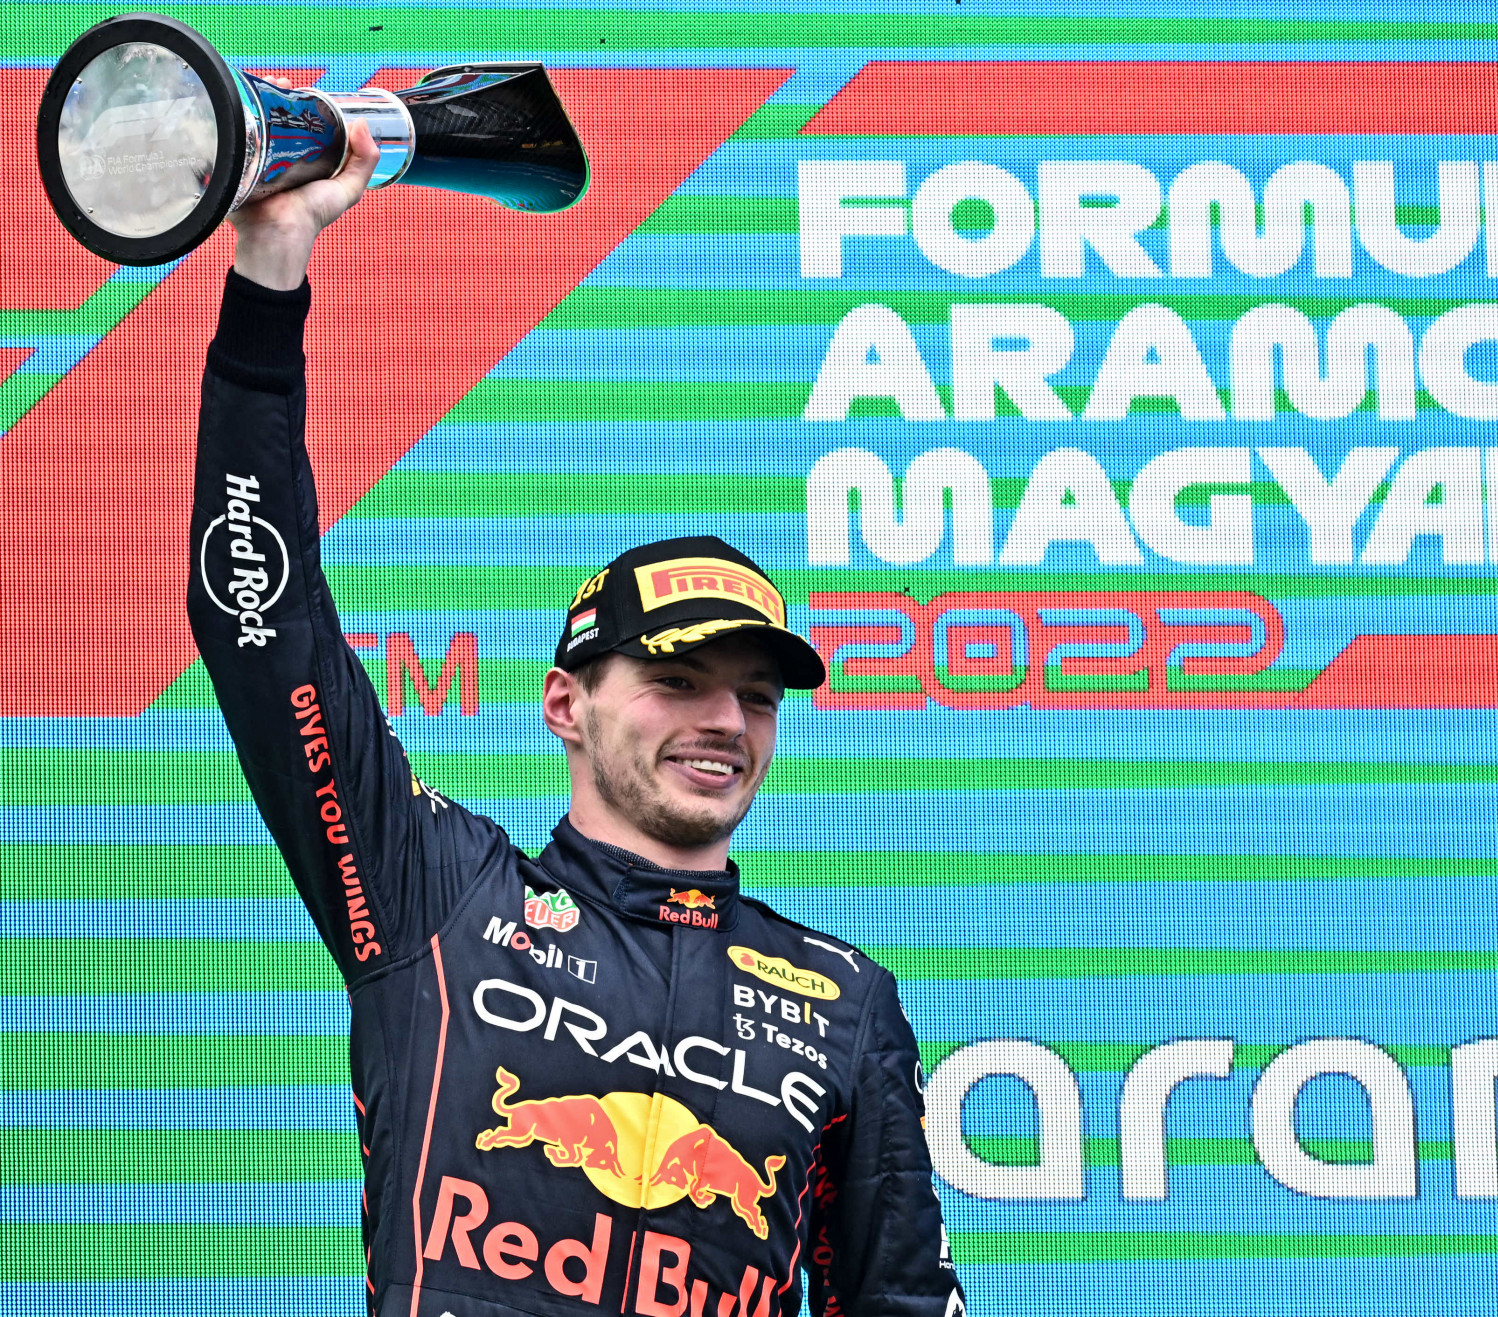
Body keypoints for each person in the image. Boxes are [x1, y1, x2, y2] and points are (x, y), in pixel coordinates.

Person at [187, 115, 966, 1317]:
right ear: (565, 702)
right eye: (676, 682)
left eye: (755, 696)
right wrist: (269, 271)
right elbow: (261, 625)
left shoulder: (845, 1002)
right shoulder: (436, 893)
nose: (724, 721)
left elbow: (899, 1302)